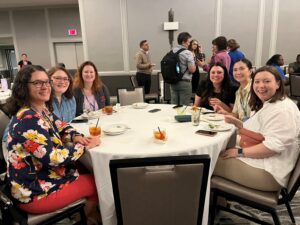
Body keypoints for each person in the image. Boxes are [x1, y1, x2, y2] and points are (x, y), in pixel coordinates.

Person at [4, 65, 101, 222]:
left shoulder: (40, 110)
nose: (45, 86)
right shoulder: (28, 120)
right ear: (23, 87)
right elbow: (54, 158)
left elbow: (61, 125)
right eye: (37, 83)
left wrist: (76, 136)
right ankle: (85, 219)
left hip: (41, 176)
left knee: (84, 167)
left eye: (46, 82)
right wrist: (84, 146)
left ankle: (85, 212)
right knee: (97, 182)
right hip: (32, 192)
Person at [214, 66, 300, 191]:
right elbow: (262, 133)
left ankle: (209, 205)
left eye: (267, 81)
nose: (261, 86)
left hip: (270, 173)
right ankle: (219, 201)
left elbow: (272, 146)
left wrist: (238, 152)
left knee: (208, 162)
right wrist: (239, 125)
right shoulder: (271, 103)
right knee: (221, 149)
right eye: (257, 81)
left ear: (278, 84)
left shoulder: (282, 110)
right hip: (268, 163)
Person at [170, 32, 200, 105]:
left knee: (174, 105)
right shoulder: (188, 53)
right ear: (183, 42)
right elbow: (192, 70)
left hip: (173, 82)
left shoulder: (172, 51)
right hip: (184, 82)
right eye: (188, 42)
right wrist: (196, 63)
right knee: (183, 107)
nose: (189, 44)